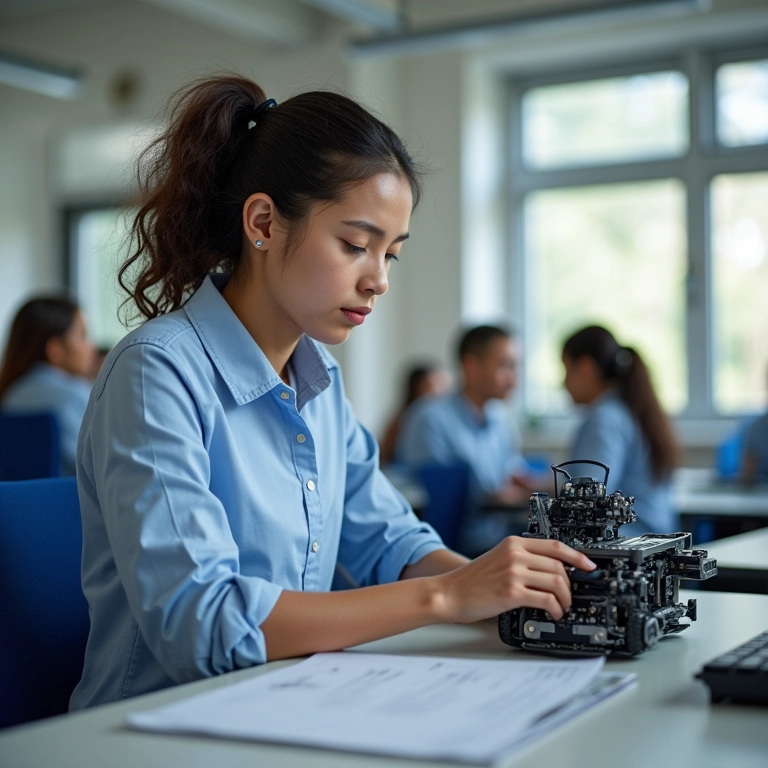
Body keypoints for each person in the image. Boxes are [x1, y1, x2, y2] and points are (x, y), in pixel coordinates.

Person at [69, 75, 595, 710]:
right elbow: (203, 625)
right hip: (152, 730)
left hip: (288, 704)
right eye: (355, 245)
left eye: (391, 255)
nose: (378, 281)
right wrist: (449, 597)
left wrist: (513, 594)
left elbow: (390, 544)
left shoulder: (318, 382)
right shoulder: (156, 373)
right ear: (262, 222)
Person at [396, 325, 538, 555]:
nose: (514, 380)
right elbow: (438, 499)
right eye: (505, 366)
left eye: (516, 367)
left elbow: (514, 475)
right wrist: (491, 494)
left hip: (498, 538)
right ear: (471, 366)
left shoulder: (501, 422)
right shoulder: (430, 418)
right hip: (452, 548)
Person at [561, 325, 680, 535]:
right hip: (651, 538)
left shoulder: (604, 419)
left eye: (566, 370)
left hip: (626, 543)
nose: (562, 383)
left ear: (585, 368)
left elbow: (586, 499)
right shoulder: (630, 409)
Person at [0, 294, 96, 476]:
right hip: (70, 501)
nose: (91, 346)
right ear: (55, 349)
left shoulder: (10, 395)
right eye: (83, 336)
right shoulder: (74, 394)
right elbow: (98, 468)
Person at [379, 362, 451, 466]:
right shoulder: (403, 419)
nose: (442, 391)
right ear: (418, 386)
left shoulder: (442, 418)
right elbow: (385, 456)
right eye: (437, 384)